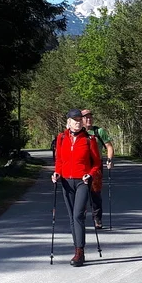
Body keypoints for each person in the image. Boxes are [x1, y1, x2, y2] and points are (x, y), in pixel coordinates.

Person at [52, 109, 102, 267]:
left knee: (78, 215)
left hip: (82, 181)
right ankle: (77, 248)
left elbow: (96, 163)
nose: (79, 122)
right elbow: (59, 160)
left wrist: (91, 174)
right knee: (72, 217)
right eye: (75, 120)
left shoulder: (89, 139)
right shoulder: (61, 138)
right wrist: (57, 174)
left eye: (80, 120)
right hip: (66, 182)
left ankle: (80, 252)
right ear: (68, 122)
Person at [80, 109, 114, 229]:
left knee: (95, 193)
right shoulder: (79, 132)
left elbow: (109, 146)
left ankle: (97, 219)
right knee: (82, 193)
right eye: (85, 117)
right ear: (81, 119)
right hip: (82, 166)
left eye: (90, 117)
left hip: (96, 165)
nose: (88, 119)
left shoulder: (99, 131)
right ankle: (80, 218)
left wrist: (109, 159)